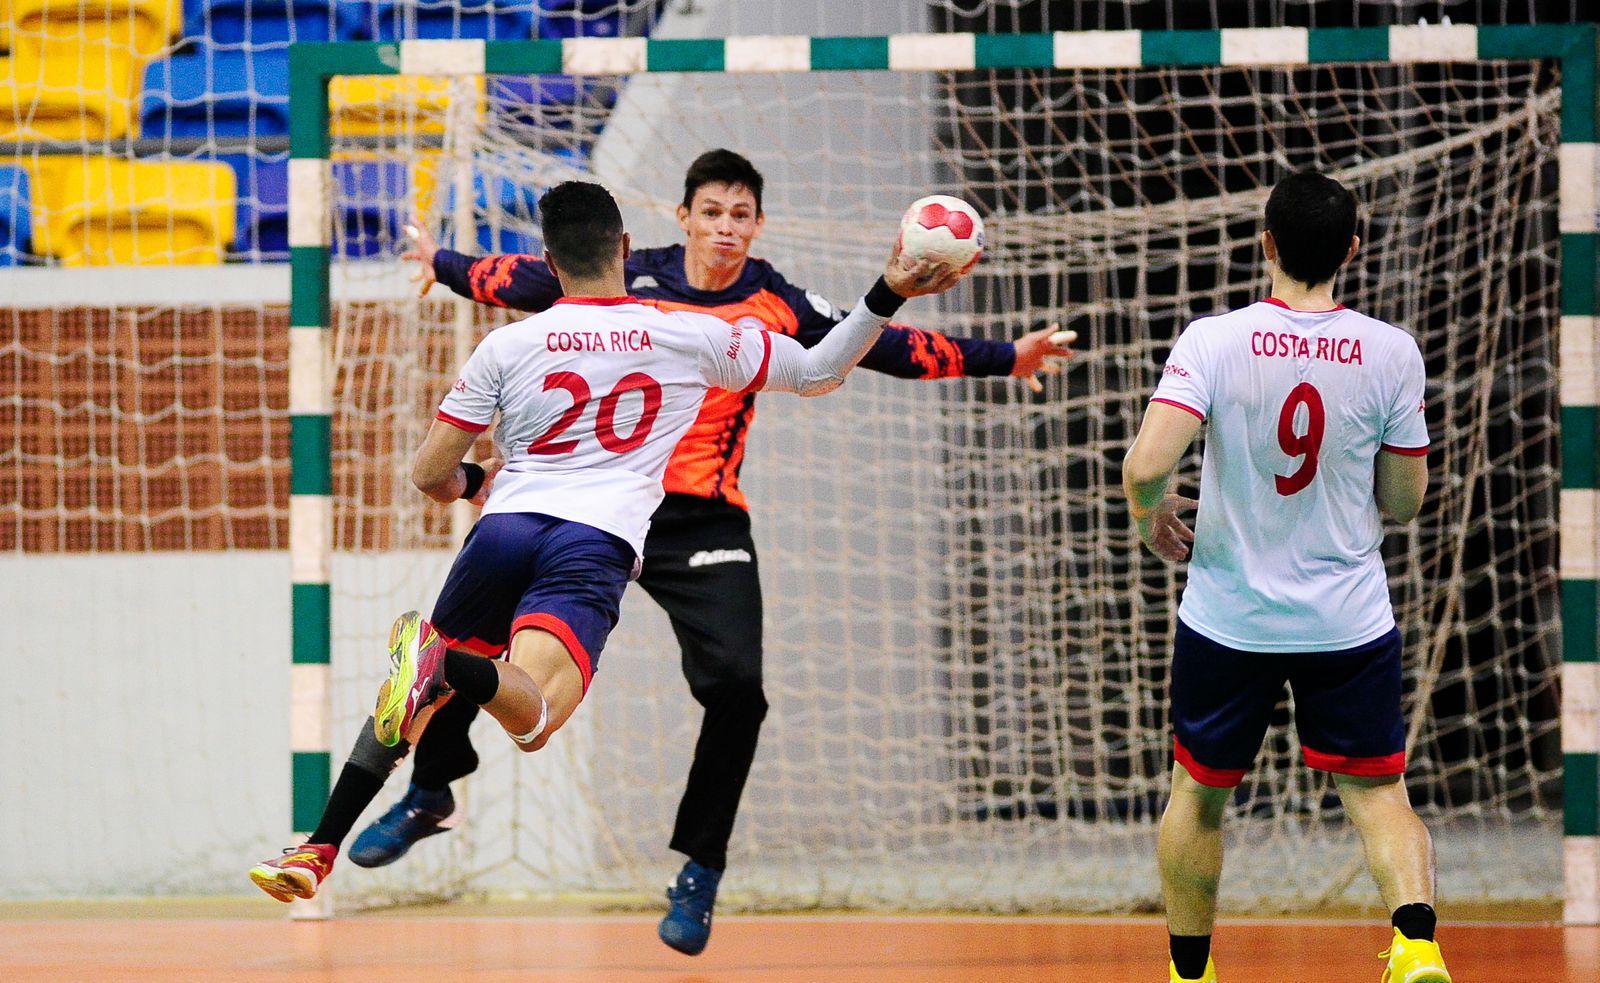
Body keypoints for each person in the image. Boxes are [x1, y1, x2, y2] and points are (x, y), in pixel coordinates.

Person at [354, 148, 1077, 955]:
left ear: (757, 225)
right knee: (464, 643)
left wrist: (1005, 357)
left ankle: (699, 869)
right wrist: (443, 263)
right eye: (712, 212)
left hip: (700, 521)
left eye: (741, 215)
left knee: (738, 688)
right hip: (598, 507)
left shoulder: (776, 299)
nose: (726, 229)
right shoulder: (634, 277)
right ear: (682, 217)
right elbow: (524, 277)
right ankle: (430, 788)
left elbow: (879, 348)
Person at [248, 180, 965, 908]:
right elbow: (819, 370)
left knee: (406, 707)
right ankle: (448, 666)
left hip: (503, 529)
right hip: (591, 544)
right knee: (534, 717)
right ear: (625, 248)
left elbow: (427, 471)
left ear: (549, 264)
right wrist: (889, 289)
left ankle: (319, 846)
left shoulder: (507, 343)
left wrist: (473, 484)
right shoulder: (687, 332)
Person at [1121, 171, 1450, 983]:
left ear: (1264, 242)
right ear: (1352, 249)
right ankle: (1415, 946)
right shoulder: (1391, 351)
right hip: (1347, 620)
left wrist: (1150, 516)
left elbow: (1145, 465)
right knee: (1380, 797)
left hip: (1231, 616)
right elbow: (1407, 502)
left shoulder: (1212, 340)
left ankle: (1190, 973)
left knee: (1197, 796)